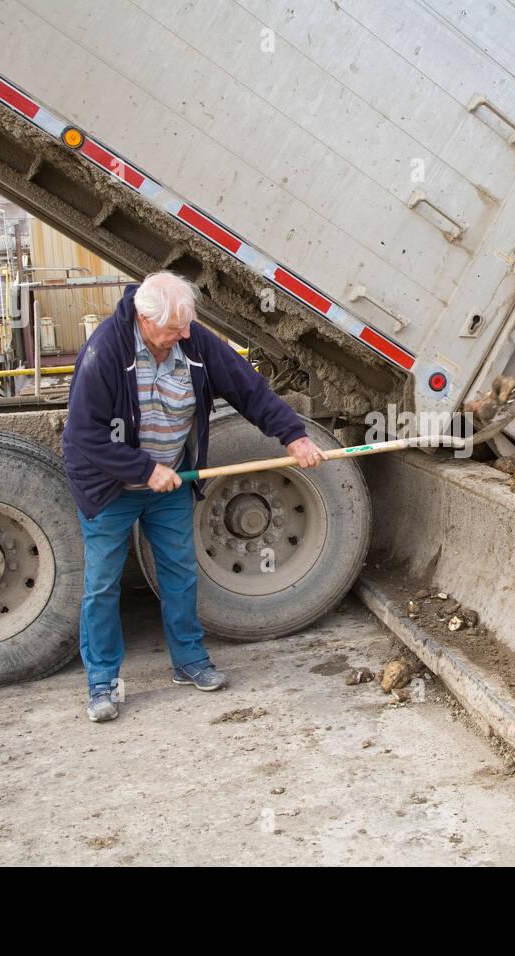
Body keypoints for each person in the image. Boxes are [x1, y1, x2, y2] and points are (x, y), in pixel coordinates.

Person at [61, 272, 327, 722]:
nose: (185, 334)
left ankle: (189, 661)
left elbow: (249, 389)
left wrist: (293, 435)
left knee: (180, 573)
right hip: (109, 486)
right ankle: (102, 682)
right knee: (103, 585)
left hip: (171, 482)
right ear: (145, 320)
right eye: (174, 329)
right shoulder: (105, 351)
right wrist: (144, 470)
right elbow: (84, 434)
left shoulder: (193, 340)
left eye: (188, 325)